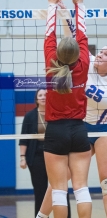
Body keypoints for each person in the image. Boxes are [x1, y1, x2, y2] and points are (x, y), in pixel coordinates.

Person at [35, 0, 107, 218]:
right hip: (80, 127)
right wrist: (66, 15)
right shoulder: (85, 62)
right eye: (100, 52)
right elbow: (73, 38)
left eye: (105, 56)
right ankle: (41, 216)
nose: (99, 56)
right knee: (60, 179)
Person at [40, 0, 92, 218]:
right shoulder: (83, 64)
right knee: (81, 187)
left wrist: (51, 4)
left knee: (59, 190)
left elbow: (49, 33)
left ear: (58, 52)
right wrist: (78, 4)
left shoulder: (51, 62)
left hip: (56, 131)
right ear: (79, 54)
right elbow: (83, 33)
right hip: (79, 130)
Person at [19, 88, 71, 218]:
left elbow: (65, 135)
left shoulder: (58, 113)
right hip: (36, 154)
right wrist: (22, 157)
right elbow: (23, 138)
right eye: (40, 95)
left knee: (60, 187)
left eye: (45, 95)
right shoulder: (30, 116)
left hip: (56, 152)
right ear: (36, 99)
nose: (43, 97)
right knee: (40, 191)